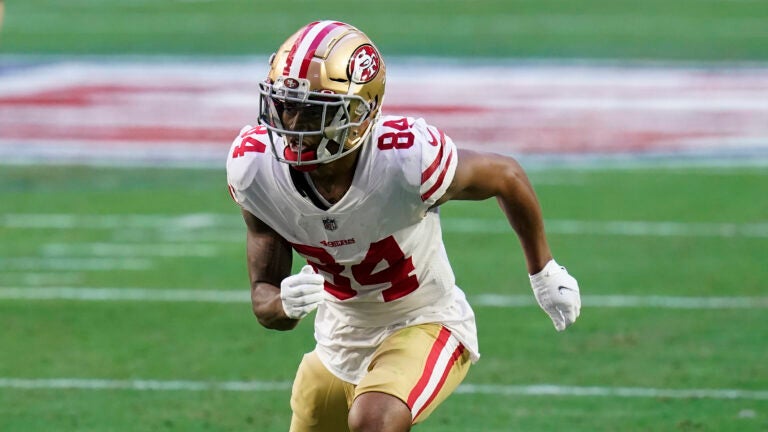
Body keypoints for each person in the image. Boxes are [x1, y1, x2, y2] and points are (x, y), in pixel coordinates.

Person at [226, 20, 581, 432]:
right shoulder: (255, 169)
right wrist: (283, 304)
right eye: (285, 104)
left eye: (311, 111)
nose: (291, 123)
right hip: (340, 336)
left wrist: (543, 271)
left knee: (373, 420)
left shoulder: (407, 159)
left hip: (426, 318)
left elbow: (507, 175)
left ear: (359, 112)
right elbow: (263, 302)